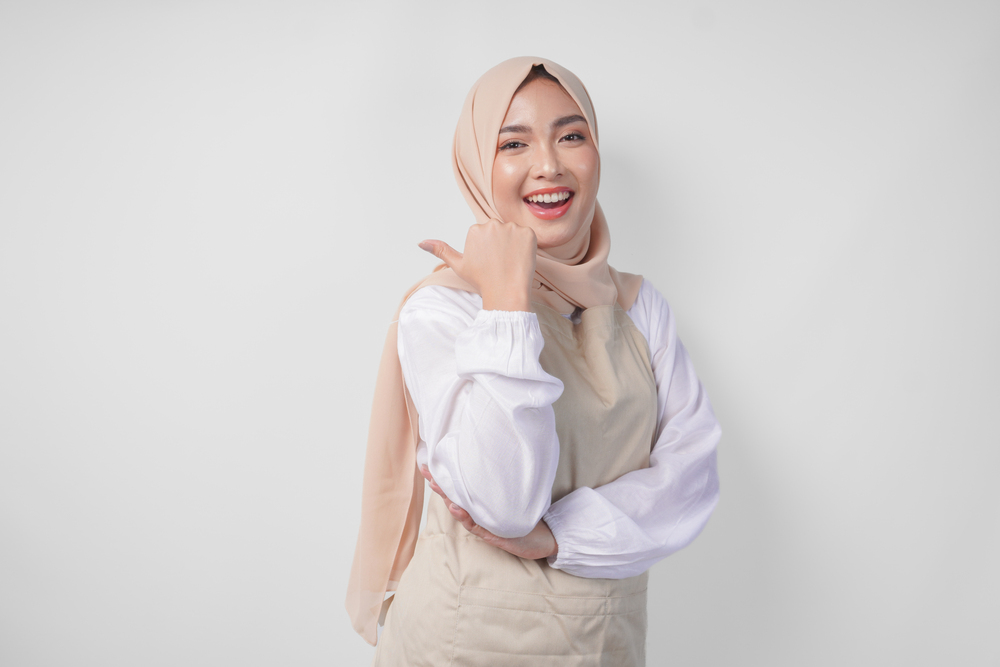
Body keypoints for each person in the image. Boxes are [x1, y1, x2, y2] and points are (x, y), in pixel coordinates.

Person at [346, 56, 721, 666]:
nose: (549, 165)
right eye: (513, 143)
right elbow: (504, 503)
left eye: (571, 136)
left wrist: (560, 536)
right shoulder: (444, 310)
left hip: (606, 645)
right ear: (477, 165)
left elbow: (691, 477)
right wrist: (506, 302)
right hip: (460, 646)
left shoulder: (637, 305)